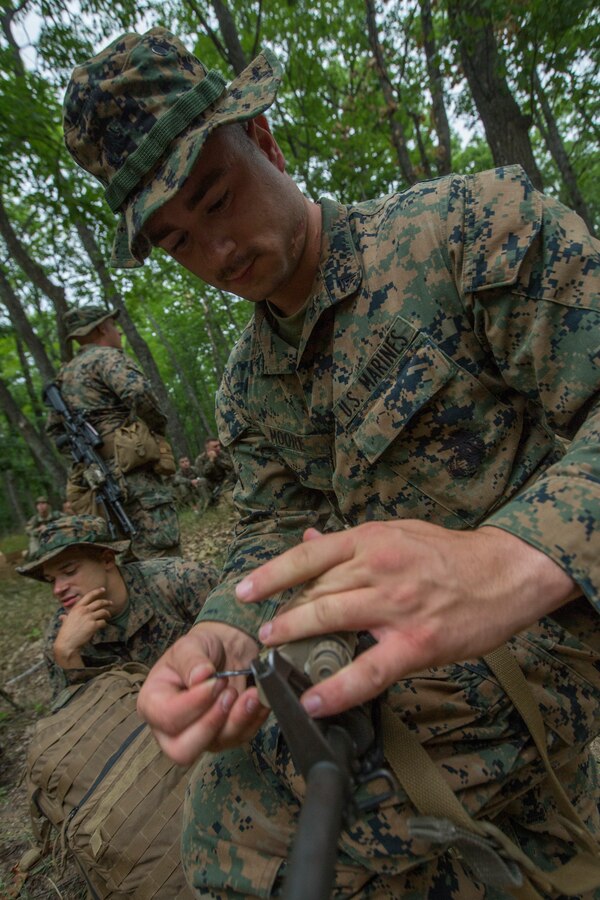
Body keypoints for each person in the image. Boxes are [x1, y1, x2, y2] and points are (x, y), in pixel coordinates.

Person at [62, 27, 600, 899]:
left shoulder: (465, 234)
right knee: (226, 813)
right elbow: (273, 529)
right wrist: (220, 627)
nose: (217, 251)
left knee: (271, 834)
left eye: (217, 198)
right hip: (382, 652)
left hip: (543, 633)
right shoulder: (247, 386)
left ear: (266, 142)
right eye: (176, 241)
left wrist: (510, 560)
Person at [17, 514, 218, 700]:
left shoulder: (182, 581)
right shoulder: (60, 638)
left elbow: (243, 638)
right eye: (51, 580)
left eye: (69, 571)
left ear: (106, 559)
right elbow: (82, 726)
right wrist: (67, 656)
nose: (57, 589)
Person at [46, 303, 182, 559]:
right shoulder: (106, 357)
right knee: (163, 556)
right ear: (101, 328)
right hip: (133, 473)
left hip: (97, 484)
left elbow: (56, 433)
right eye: (114, 326)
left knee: (122, 559)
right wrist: (154, 431)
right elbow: (139, 393)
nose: (118, 333)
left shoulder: (63, 378)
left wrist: (90, 461)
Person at [194, 438, 235, 506]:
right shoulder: (200, 459)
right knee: (201, 481)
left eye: (219, 445)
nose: (218, 448)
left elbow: (231, 466)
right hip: (211, 483)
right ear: (207, 448)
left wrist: (217, 460)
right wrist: (211, 460)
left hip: (225, 481)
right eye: (215, 446)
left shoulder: (222, 454)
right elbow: (202, 474)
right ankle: (208, 503)